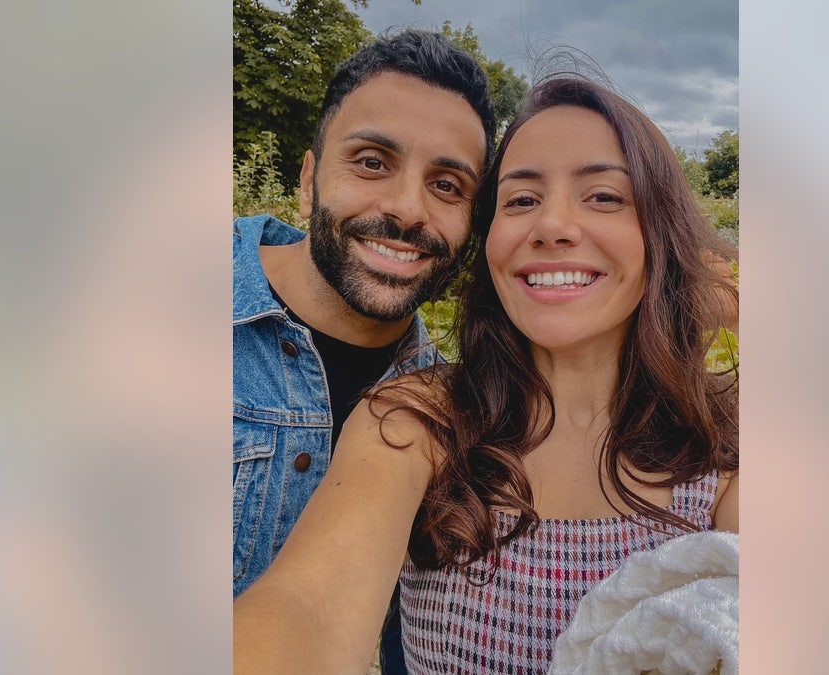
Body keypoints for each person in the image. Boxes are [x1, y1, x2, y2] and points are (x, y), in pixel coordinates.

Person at [234, 74, 739, 675]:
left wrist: (701, 294)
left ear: (662, 231)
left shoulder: (722, 445)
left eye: (604, 196)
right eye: (521, 200)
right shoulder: (416, 421)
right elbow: (306, 606)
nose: (550, 225)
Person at [231, 29, 497, 674]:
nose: (408, 210)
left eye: (448, 185)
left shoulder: (443, 411)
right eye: (372, 162)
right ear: (308, 175)